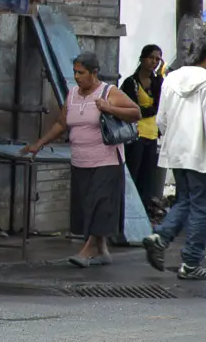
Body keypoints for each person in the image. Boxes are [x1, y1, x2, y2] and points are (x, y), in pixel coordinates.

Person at [22, 52, 140, 267]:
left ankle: (88, 250)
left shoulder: (108, 92)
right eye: (75, 72)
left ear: (94, 73)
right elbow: (61, 123)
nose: (76, 76)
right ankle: (102, 251)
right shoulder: (73, 94)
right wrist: (39, 144)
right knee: (87, 205)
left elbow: (135, 112)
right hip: (80, 161)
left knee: (99, 205)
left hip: (106, 161)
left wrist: (108, 108)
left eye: (81, 72)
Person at [143, 38, 206, 281]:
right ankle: (191, 262)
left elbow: (161, 118)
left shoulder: (171, 78)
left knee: (185, 200)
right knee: (201, 208)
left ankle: (160, 237)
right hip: (199, 153)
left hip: (175, 150)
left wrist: (172, 138)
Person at [119, 44, 164, 216]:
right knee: (134, 174)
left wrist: (142, 111)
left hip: (152, 134)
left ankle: (143, 214)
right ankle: (129, 212)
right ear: (142, 58)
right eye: (151, 57)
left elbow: (159, 107)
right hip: (135, 134)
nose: (154, 61)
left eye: (158, 59)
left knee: (148, 177)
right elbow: (130, 108)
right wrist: (144, 111)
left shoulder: (158, 82)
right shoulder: (131, 82)